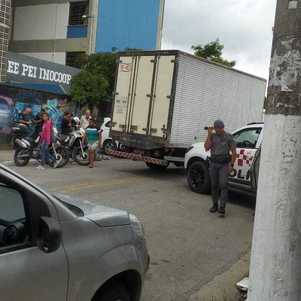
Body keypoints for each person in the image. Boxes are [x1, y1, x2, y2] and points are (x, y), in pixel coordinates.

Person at [204, 120, 236, 217]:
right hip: (213, 163)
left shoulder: (228, 137)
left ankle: (222, 208)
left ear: (223, 128)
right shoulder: (212, 136)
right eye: (216, 128)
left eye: (220, 128)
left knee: (223, 185)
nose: (218, 130)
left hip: (224, 164)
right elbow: (206, 147)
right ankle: (214, 205)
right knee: (214, 185)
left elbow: (234, 152)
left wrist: (232, 164)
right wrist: (209, 134)